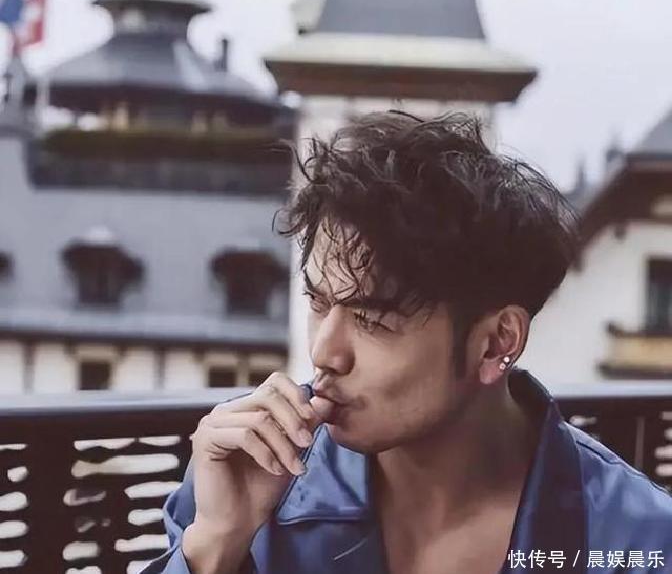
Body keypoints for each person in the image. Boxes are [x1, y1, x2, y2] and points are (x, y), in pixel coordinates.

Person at [142, 111, 672, 574]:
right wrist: (216, 544)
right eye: (319, 303)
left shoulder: (635, 541)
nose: (325, 353)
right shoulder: (247, 475)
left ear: (495, 343)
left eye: (373, 319)